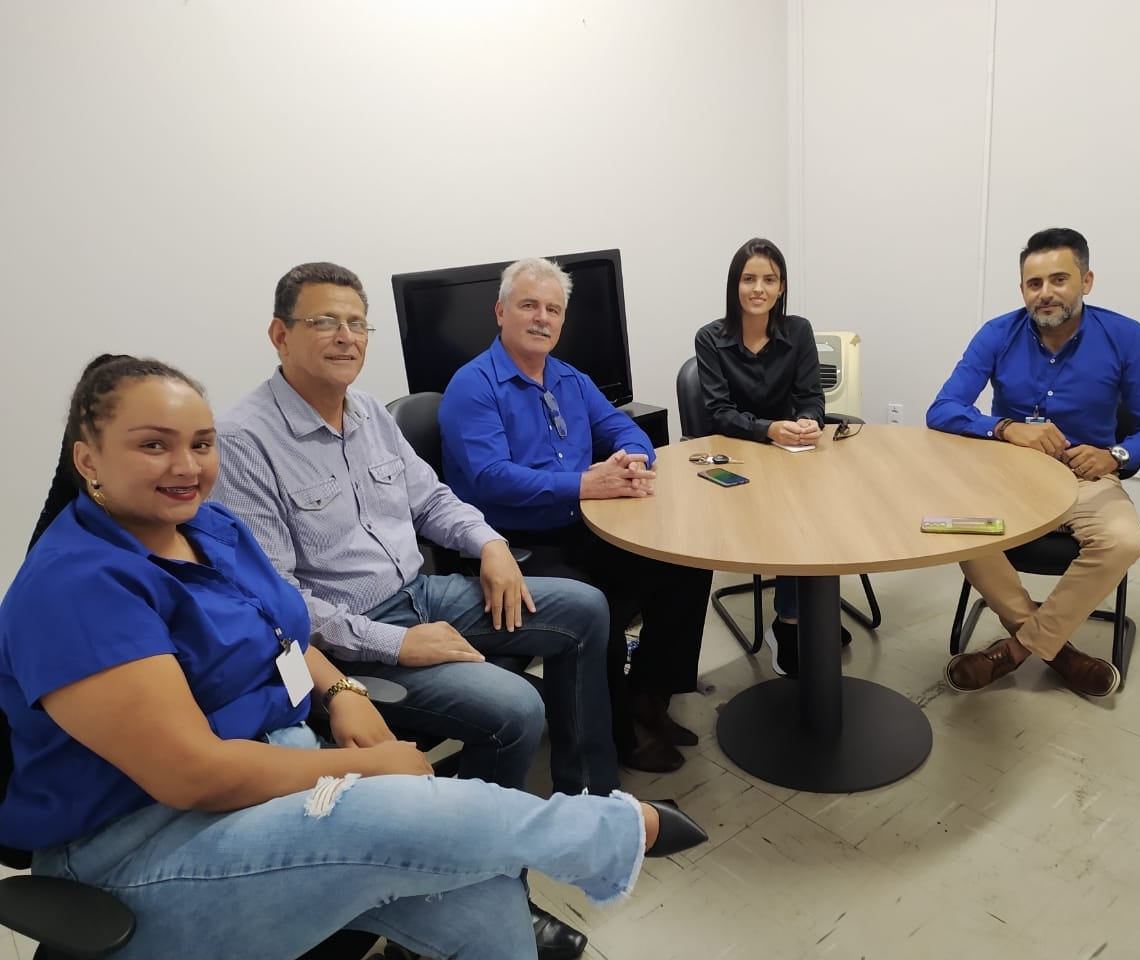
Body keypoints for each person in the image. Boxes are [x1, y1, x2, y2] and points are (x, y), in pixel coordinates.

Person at [0, 354, 707, 960]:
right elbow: (192, 774)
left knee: (485, 897)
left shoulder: (207, 525)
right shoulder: (77, 587)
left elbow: (284, 633)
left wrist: (344, 694)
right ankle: (597, 833)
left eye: (202, 444)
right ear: (87, 458)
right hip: (142, 849)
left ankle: (548, 844)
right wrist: (365, 764)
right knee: (394, 809)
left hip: (274, 772)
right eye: (154, 446)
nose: (187, 466)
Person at [209, 263, 616, 958]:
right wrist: (399, 647)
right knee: (514, 709)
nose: (346, 337)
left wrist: (488, 544)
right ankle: (474, 887)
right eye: (324, 322)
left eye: (357, 323)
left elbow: (431, 500)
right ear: (280, 335)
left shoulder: (367, 411)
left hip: (423, 593)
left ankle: (578, 807)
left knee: (584, 607)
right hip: (347, 644)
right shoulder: (243, 444)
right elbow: (276, 601)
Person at [438, 257, 713, 774]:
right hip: (514, 545)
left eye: (553, 309)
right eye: (529, 306)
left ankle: (647, 696)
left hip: (586, 526)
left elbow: (624, 428)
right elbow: (489, 478)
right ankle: (618, 739)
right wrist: (585, 483)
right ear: (500, 312)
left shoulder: (570, 378)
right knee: (597, 605)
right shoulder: (472, 386)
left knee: (687, 562)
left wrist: (634, 457)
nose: (542, 318)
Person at [926, 227, 1140, 698]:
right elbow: (942, 409)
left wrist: (1116, 454)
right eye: (1034, 283)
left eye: (1059, 279)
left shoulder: (1124, 335)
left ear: (1087, 281)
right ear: (1023, 289)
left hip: (1087, 479)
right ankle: (1056, 651)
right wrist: (1003, 428)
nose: (1046, 294)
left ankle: (1013, 651)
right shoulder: (997, 333)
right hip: (1009, 477)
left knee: (1124, 540)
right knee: (956, 526)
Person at [694, 237, 854, 677]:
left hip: (792, 455)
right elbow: (719, 413)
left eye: (769, 279)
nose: (758, 288)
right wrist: (768, 428)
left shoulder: (798, 331)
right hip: (739, 457)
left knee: (824, 506)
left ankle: (807, 610)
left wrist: (807, 421)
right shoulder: (711, 338)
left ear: (782, 287)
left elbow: (811, 397)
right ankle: (790, 624)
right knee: (793, 519)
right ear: (735, 285)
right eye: (749, 279)